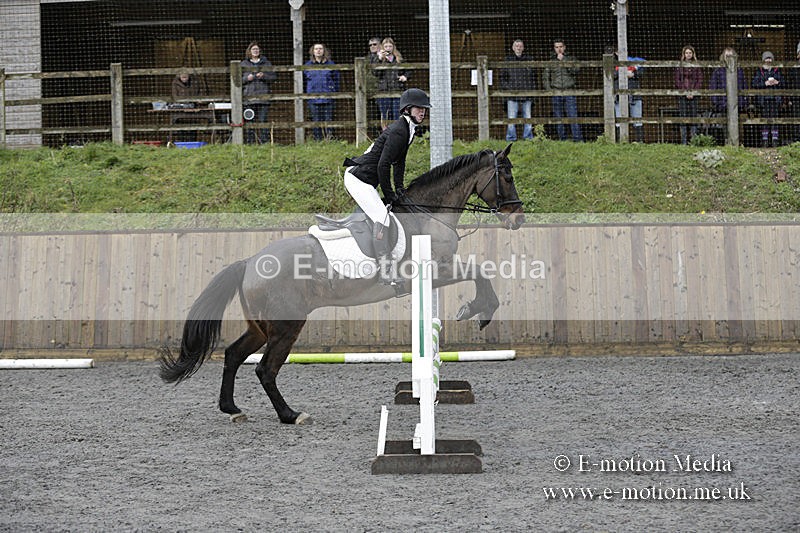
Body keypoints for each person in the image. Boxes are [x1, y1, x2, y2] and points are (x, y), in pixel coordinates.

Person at [342, 88, 431, 287]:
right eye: (419, 108)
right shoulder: (399, 130)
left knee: (385, 212)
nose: (423, 112)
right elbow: (383, 165)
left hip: (367, 178)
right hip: (358, 178)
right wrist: (389, 195)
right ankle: (385, 271)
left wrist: (399, 188)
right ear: (407, 109)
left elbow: (399, 162)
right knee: (382, 216)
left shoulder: (409, 130)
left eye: (424, 109)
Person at [543, 39, 582, 142]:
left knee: (572, 115)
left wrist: (563, 60)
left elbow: (576, 70)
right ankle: (562, 139)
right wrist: (550, 90)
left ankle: (577, 139)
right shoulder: (551, 61)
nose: (559, 49)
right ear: (554, 49)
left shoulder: (571, 59)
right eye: (557, 47)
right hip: (556, 91)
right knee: (558, 116)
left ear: (564, 47)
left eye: (560, 47)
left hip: (569, 91)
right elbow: (545, 77)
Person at [607, 46, 645, 143]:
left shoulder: (634, 61)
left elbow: (642, 71)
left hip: (634, 93)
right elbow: (610, 74)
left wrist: (633, 74)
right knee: (619, 119)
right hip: (618, 95)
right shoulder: (613, 62)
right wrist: (623, 73)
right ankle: (621, 141)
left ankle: (639, 142)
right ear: (616, 52)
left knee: (637, 118)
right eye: (618, 51)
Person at [241, 41, 277, 144]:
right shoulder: (243, 64)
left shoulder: (266, 63)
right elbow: (237, 81)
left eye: (257, 49)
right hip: (249, 98)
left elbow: (273, 77)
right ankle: (250, 143)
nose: (255, 51)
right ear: (249, 51)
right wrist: (247, 78)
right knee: (249, 121)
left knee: (263, 121)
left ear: (260, 51)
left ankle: (264, 143)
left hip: (263, 98)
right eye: (253, 49)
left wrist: (264, 76)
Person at [708, 47, 747, 144]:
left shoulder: (739, 70)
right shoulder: (718, 71)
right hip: (722, 103)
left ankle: (737, 142)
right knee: (724, 124)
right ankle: (727, 141)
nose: (729, 58)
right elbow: (713, 87)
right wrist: (716, 102)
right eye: (727, 56)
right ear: (723, 57)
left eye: (731, 55)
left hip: (737, 103)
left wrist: (744, 100)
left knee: (738, 123)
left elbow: (744, 86)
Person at [500, 39, 536, 141]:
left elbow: (534, 77)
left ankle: (528, 138)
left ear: (523, 48)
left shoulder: (529, 60)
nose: (518, 48)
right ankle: (511, 138)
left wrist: (531, 89)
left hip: (527, 92)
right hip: (512, 93)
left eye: (520, 46)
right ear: (513, 48)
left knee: (527, 118)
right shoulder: (508, 60)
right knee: (512, 118)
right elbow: (502, 77)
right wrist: (509, 88)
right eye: (516, 46)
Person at [304, 43, 340, 141]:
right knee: (316, 120)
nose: (318, 50)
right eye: (316, 49)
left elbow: (336, 80)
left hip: (328, 98)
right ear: (313, 51)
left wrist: (334, 92)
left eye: (320, 48)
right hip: (313, 99)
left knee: (329, 120)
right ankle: (317, 140)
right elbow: (303, 81)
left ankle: (329, 139)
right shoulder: (307, 66)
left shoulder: (331, 64)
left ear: (324, 51)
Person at [371, 37, 408, 130]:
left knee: (397, 114)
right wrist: (379, 60)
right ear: (382, 47)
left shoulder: (399, 58)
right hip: (383, 91)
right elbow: (375, 73)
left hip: (397, 90)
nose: (388, 48)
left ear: (393, 47)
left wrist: (405, 76)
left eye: (390, 46)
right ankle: (386, 134)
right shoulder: (378, 59)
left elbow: (409, 69)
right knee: (386, 115)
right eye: (386, 46)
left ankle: (397, 133)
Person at [751, 51, 782, 147]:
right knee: (764, 119)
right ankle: (765, 139)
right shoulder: (759, 71)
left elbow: (784, 82)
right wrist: (764, 83)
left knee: (774, 119)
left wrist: (777, 82)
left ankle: (775, 139)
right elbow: (754, 84)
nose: (768, 60)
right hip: (763, 100)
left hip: (775, 99)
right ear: (763, 60)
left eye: (770, 58)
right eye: (766, 58)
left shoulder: (777, 70)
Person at [674, 45, 703, 144]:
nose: (688, 54)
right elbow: (677, 80)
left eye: (690, 53)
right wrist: (685, 92)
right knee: (683, 116)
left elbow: (699, 80)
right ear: (684, 54)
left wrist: (693, 92)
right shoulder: (680, 66)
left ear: (693, 54)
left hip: (694, 95)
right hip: (682, 95)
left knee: (693, 116)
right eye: (686, 53)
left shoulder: (696, 66)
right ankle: (683, 142)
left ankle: (693, 140)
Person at [171, 70, 201, 142]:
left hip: (192, 106)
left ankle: (193, 142)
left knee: (193, 124)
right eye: (183, 77)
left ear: (189, 76)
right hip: (180, 107)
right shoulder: (175, 83)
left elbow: (197, 93)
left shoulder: (193, 83)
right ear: (179, 77)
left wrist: (195, 102)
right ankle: (181, 142)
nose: (184, 79)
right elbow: (174, 95)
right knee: (180, 124)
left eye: (186, 77)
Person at [785, 42, 800, 144]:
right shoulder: (793, 68)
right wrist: (789, 99)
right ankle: (797, 140)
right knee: (796, 117)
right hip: (796, 98)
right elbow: (789, 84)